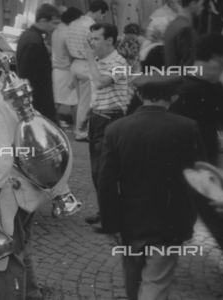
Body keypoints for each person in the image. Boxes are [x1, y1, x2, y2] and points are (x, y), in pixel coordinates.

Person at [98, 72, 206, 300]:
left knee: (133, 280)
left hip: (129, 223)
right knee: (156, 282)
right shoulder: (187, 128)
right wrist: (189, 221)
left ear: (138, 94)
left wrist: (111, 224)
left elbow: (106, 181)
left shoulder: (116, 129)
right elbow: (197, 180)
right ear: (173, 98)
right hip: (169, 224)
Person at [0, 47, 51, 300]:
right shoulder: (12, 94)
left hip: (7, 191)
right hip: (27, 184)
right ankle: (32, 295)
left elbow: (1, 156)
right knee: (20, 248)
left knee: (2, 257)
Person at [170, 32, 223, 260]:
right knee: (219, 219)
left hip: (205, 166)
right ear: (215, 58)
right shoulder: (186, 89)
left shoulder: (212, 86)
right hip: (194, 170)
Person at [83, 23, 129, 227]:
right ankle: (105, 211)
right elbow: (97, 92)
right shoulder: (100, 61)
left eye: (96, 38)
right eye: (91, 38)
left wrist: (90, 59)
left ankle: (112, 217)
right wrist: (87, 114)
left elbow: (101, 82)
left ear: (109, 40)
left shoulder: (119, 62)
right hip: (97, 118)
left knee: (106, 170)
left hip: (111, 120)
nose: (92, 43)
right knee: (96, 169)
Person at [66, 0, 108, 141]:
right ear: (98, 12)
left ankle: (80, 129)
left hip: (75, 64)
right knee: (86, 102)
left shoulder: (73, 24)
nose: (102, 19)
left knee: (80, 100)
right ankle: (81, 132)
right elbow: (96, 48)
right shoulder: (92, 27)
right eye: (103, 15)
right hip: (87, 65)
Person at [16, 4, 60, 125]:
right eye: (54, 23)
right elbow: (28, 78)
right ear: (42, 21)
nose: (55, 27)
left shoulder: (31, 36)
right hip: (39, 106)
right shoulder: (34, 41)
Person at [51, 7, 82, 127]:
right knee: (72, 100)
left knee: (61, 100)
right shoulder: (68, 32)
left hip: (57, 69)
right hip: (66, 70)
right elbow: (71, 54)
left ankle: (78, 126)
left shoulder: (57, 30)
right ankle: (78, 127)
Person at [163, 0, 203, 68]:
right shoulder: (186, 28)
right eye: (201, 4)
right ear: (192, 4)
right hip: (179, 77)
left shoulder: (172, 24)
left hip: (171, 76)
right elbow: (189, 65)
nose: (202, 8)